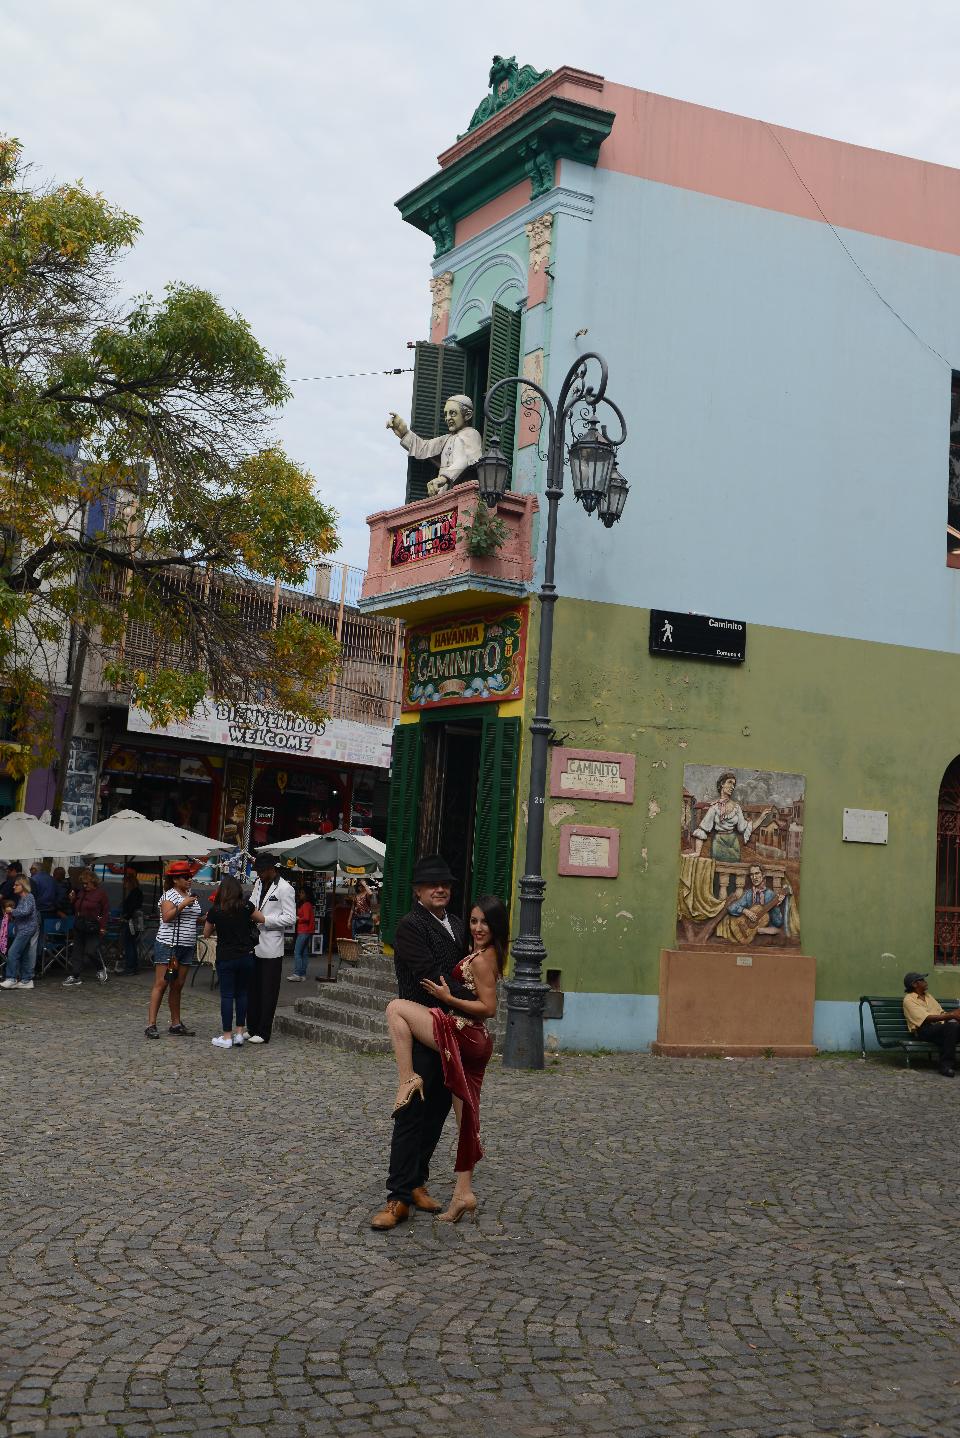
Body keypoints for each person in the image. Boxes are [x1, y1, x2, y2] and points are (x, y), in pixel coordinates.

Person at [385, 893, 505, 1224]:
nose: (478, 927)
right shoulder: (420, 926)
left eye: (485, 922)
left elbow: (489, 1007)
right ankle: (459, 1193)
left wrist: (449, 997)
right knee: (464, 1118)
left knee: (395, 1008)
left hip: (463, 1032)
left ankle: (407, 1076)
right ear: (418, 891)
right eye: (475, 921)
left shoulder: (481, 956)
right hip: (462, 1035)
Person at [370, 854, 472, 1232]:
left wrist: (463, 995)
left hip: (451, 1031)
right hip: (421, 1029)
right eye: (432, 884)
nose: (440, 889)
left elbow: (461, 973)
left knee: (438, 1112)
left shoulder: (458, 926)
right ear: (418, 891)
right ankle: (396, 1196)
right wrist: (472, 997)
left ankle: (416, 1182)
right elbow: (433, 978)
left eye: (444, 883)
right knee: (411, 1112)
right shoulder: (411, 927)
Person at [203, 874, 261, 1048]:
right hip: (246, 956)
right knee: (242, 994)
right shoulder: (246, 906)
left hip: (226, 957)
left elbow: (206, 933)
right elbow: (262, 919)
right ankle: (239, 1034)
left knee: (227, 995)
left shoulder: (215, 910)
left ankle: (226, 1036)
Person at [144, 860, 201, 1038]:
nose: (189, 879)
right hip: (169, 945)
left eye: (190, 876)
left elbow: (193, 919)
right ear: (175, 880)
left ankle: (176, 1024)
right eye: (185, 877)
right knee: (162, 984)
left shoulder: (189, 894)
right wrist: (183, 904)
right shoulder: (169, 896)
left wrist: (210, 918)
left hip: (187, 945)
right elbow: (167, 917)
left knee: (178, 985)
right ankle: (151, 1025)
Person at [387, 395, 482, 497]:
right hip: (444, 493)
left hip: (464, 494)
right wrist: (404, 433)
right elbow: (423, 448)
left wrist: (443, 478)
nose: (448, 418)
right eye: (446, 414)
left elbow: (465, 460)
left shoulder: (472, 434)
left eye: (453, 413)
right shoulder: (446, 439)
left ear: (467, 415)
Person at [246, 854, 296, 1043]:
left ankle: (263, 1032)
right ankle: (251, 1028)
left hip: (272, 945)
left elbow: (291, 918)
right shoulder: (259, 884)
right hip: (255, 943)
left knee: (268, 990)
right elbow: (252, 904)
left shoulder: (285, 888)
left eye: (261, 871)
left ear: (271, 869)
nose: (258, 875)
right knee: (254, 989)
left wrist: (266, 920)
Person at [692, 772, 773, 863]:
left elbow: (744, 829)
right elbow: (702, 829)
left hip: (733, 846)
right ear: (722, 784)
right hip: (718, 844)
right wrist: (697, 852)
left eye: (734, 784)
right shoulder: (714, 807)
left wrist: (761, 818)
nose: (732, 787)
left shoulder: (736, 807)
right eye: (729, 782)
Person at [902, 971, 960, 1077]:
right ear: (915, 984)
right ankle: (945, 1065)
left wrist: (955, 1015)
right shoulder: (909, 1000)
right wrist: (952, 1015)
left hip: (939, 1028)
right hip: (924, 1030)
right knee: (952, 1027)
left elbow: (941, 1013)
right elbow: (926, 1019)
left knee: (954, 1027)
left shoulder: (928, 996)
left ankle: (949, 1062)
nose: (925, 982)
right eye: (922, 980)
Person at [63, 868, 110, 988]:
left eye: (86, 883)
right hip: (80, 924)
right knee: (77, 951)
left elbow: (105, 911)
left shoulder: (101, 894)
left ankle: (100, 968)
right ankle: (75, 975)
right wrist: (72, 900)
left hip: (94, 926)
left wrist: (103, 926)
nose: (84, 886)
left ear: (93, 882)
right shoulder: (81, 892)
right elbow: (76, 907)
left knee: (90, 951)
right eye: (83, 883)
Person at [1, 875, 40, 989]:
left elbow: (25, 911)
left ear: (23, 886)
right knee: (24, 954)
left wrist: (12, 910)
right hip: (24, 929)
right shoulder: (22, 898)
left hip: (26, 930)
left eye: (16, 885)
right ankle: (26, 980)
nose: (14, 887)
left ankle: (11, 978)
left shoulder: (29, 897)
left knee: (13, 952)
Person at [287, 884, 315, 982]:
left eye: (302, 893)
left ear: (307, 894)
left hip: (303, 931)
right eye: (300, 892)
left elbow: (306, 918)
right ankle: (302, 974)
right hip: (307, 931)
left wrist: (298, 918)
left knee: (297, 952)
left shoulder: (306, 904)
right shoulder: (308, 904)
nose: (300, 894)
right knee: (304, 953)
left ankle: (297, 974)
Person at [119, 866, 144, 975]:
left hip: (131, 922)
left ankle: (130, 967)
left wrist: (125, 916)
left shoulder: (134, 893)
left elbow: (132, 908)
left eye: (125, 883)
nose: (124, 885)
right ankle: (133, 966)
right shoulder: (136, 892)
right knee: (132, 944)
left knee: (129, 944)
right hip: (134, 921)